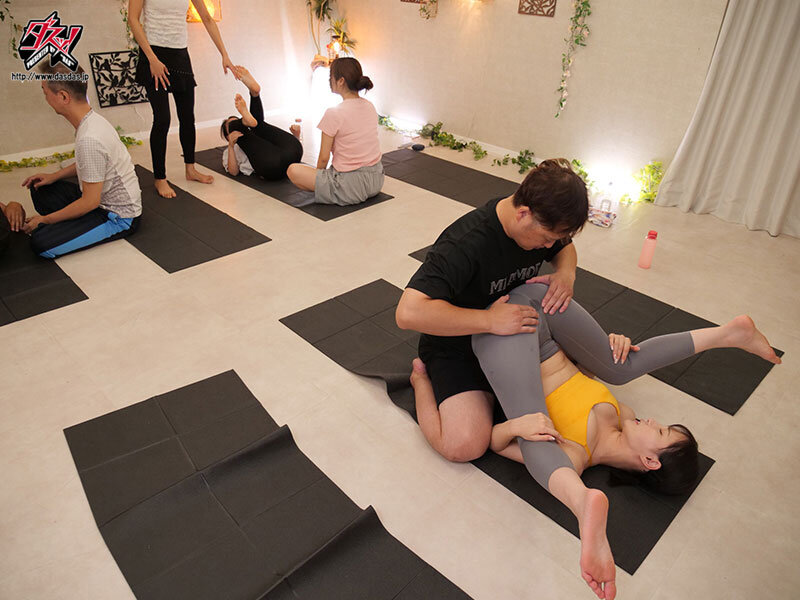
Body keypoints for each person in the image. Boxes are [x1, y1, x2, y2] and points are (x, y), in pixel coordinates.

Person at [411, 282, 781, 599]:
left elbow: (493, 442)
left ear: (650, 462)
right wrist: (609, 348)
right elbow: (582, 368)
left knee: (536, 437)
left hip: (507, 336)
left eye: (661, 432)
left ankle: (581, 502)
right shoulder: (622, 413)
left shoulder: (576, 456)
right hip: (542, 310)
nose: (654, 421)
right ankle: (727, 334)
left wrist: (516, 426)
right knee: (621, 365)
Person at [396, 158, 587, 464]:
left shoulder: (540, 221)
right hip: (457, 345)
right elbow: (408, 313)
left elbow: (565, 247)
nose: (548, 246)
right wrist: (488, 320)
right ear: (523, 214)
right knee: (464, 446)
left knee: (584, 379)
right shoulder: (465, 243)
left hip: (515, 335)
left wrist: (567, 273)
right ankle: (421, 381)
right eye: (546, 238)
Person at [20, 64, 142, 259]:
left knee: (40, 244)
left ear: (63, 97)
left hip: (118, 216)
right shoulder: (91, 120)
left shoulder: (89, 138)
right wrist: (54, 176)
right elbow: (91, 164)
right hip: (98, 199)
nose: (46, 98)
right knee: (40, 188)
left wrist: (45, 220)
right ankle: (74, 223)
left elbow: (90, 202)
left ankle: (73, 224)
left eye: (45, 92)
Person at [128, 0, 237, 198]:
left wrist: (224, 54)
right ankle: (160, 178)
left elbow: (207, 18)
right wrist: (152, 59)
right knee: (162, 119)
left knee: (187, 117)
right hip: (153, 54)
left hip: (180, 54)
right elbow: (133, 20)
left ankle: (190, 169)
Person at [286, 57, 384, 206]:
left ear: (341, 81)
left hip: (350, 186)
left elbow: (323, 158)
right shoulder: (370, 106)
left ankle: (331, 190)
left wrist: (319, 178)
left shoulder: (334, 113)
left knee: (293, 170)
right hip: (376, 180)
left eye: (330, 77)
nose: (329, 81)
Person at [220, 66, 303, 181]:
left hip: (292, 153)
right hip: (277, 163)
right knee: (256, 125)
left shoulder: (256, 133)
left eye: (239, 121)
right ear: (227, 136)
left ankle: (253, 97)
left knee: (259, 125)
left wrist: (296, 136)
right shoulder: (230, 151)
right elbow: (233, 172)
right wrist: (230, 146)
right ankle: (255, 96)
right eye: (233, 126)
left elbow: (280, 147)